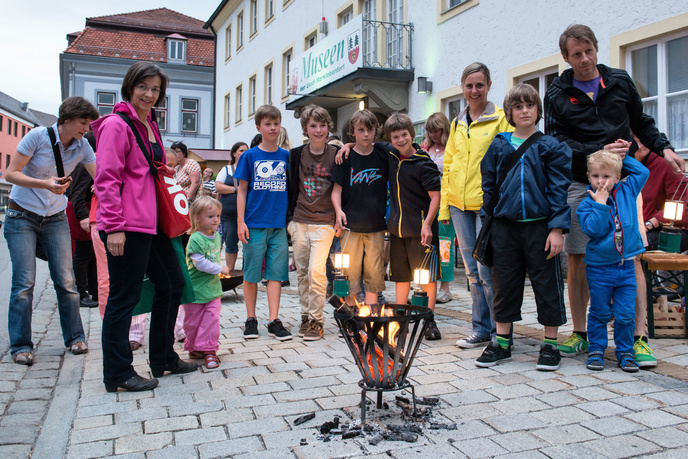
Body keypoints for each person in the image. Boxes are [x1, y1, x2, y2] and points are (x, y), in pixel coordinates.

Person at [543, 24, 684, 358]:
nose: (585, 59)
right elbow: (556, 141)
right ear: (566, 57)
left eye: (589, 50)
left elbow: (642, 122)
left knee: (630, 256)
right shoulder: (557, 93)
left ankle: (639, 338)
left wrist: (664, 148)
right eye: (576, 54)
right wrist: (597, 148)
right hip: (580, 183)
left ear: (596, 47)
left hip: (622, 184)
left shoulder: (619, 80)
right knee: (578, 257)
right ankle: (581, 332)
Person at [93, 61, 198, 392]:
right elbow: (106, 178)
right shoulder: (116, 124)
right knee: (124, 296)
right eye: (144, 87)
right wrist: (113, 227)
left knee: (172, 283)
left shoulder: (149, 124)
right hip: (127, 224)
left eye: (155, 90)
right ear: (130, 86)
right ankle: (118, 373)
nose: (149, 94)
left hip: (154, 223)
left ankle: (164, 358)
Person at [475, 84, 572, 370]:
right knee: (504, 284)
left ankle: (550, 345)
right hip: (504, 228)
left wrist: (557, 229)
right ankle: (502, 343)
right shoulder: (499, 145)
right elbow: (489, 187)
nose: (525, 110)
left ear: (538, 111)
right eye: (518, 107)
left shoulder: (550, 146)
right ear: (510, 113)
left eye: (530, 105)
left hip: (540, 228)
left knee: (547, 285)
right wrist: (487, 224)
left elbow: (558, 189)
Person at [4, 96, 99, 365]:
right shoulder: (37, 137)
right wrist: (44, 183)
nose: (86, 129)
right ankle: (21, 345)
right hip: (21, 214)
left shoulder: (83, 146)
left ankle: (75, 338)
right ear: (66, 119)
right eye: (83, 123)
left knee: (67, 281)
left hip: (55, 216)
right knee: (24, 283)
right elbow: (11, 174)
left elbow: (100, 175)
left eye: (89, 124)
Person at [439, 62, 513, 349]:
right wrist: (445, 207)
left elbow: (510, 158)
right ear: (462, 88)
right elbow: (448, 166)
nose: (474, 90)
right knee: (471, 271)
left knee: (487, 270)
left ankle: (500, 332)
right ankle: (480, 329)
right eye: (469, 85)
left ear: (489, 86)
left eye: (479, 85)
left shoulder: (501, 119)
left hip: (487, 205)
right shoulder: (457, 122)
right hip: (459, 205)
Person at [577, 151, 649, 372]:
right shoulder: (587, 204)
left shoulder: (627, 190)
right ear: (588, 176)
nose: (601, 181)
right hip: (600, 269)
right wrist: (600, 204)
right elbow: (593, 230)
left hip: (626, 266)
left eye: (607, 176)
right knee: (599, 311)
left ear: (618, 177)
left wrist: (623, 156)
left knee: (626, 313)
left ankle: (625, 351)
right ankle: (596, 349)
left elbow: (643, 171)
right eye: (596, 175)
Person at [235, 104, 291, 341]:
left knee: (276, 275)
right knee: (251, 274)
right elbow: (241, 191)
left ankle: (273, 319)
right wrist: (240, 221)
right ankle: (251, 318)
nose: (273, 128)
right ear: (259, 127)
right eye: (267, 124)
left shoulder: (287, 156)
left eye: (276, 123)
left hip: (278, 226)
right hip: (254, 223)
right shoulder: (249, 156)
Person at [384, 114, 443, 340]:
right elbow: (364, 143)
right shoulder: (389, 156)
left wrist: (427, 224)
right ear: (390, 138)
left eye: (404, 135)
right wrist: (345, 146)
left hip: (421, 230)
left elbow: (435, 197)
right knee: (401, 276)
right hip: (397, 230)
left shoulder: (423, 162)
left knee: (426, 277)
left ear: (412, 134)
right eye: (396, 136)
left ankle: (429, 320)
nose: (400, 140)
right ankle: (401, 320)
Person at [287, 104, 339, 341]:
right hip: (300, 221)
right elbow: (290, 187)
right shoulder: (296, 154)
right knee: (303, 273)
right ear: (305, 129)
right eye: (313, 126)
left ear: (328, 127)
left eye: (322, 125)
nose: (319, 130)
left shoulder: (337, 154)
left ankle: (317, 319)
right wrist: (289, 221)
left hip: (324, 222)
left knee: (318, 272)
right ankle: (306, 316)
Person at [331, 109, 388, 306]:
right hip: (350, 226)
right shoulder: (345, 158)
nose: (365, 134)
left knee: (374, 275)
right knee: (350, 275)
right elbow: (336, 190)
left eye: (369, 129)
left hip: (376, 226)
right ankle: (352, 315)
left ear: (375, 131)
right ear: (352, 132)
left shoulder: (382, 155)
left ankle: (371, 314)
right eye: (361, 130)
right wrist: (338, 211)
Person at [181, 196, 229, 369]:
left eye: (217, 215)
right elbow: (199, 263)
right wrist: (220, 268)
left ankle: (209, 350)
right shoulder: (195, 238)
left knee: (211, 320)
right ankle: (194, 348)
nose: (215, 219)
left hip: (212, 290)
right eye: (210, 216)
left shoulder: (216, 236)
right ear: (197, 219)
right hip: (195, 290)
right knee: (192, 322)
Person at [421, 112, 455, 304]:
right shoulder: (426, 149)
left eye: (437, 131)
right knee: (428, 246)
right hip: (427, 204)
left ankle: (445, 287)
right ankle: (427, 284)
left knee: (445, 247)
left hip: (446, 204)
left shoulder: (451, 149)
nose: (434, 135)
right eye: (430, 131)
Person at [67, 131, 99, 309]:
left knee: (91, 255)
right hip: (82, 210)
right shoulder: (84, 163)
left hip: (85, 209)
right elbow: (77, 192)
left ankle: (94, 291)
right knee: (82, 255)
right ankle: (81, 294)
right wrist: (83, 216)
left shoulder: (87, 161)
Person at [216, 142, 248, 271]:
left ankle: (246, 272)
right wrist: (237, 189)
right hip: (228, 214)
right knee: (230, 244)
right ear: (234, 153)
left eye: (246, 150)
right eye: (241, 150)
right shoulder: (227, 169)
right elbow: (218, 186)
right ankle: (230, 271)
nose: (244, 153)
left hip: (247, 213)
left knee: (248, 244)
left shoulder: (250, 168)